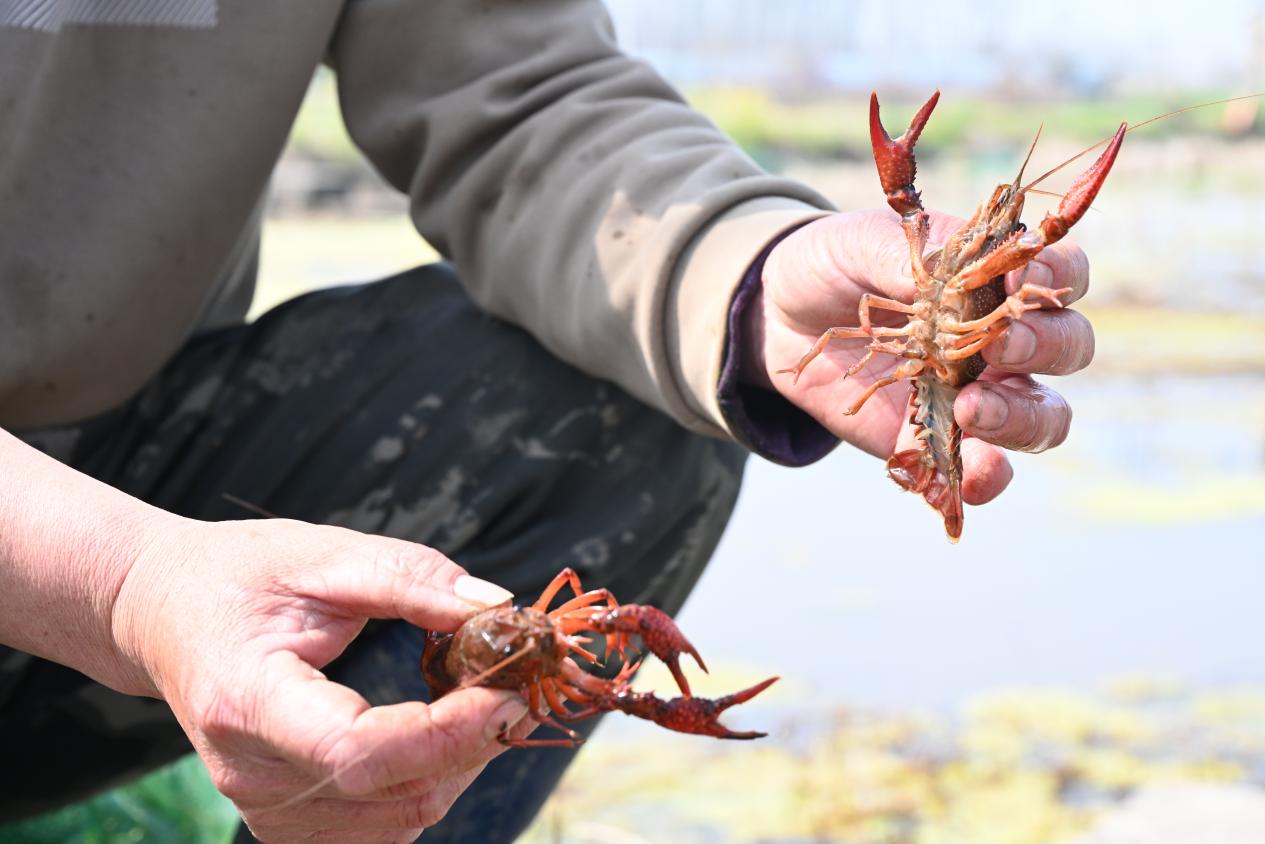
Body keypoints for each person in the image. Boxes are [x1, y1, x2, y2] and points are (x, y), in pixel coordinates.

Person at [0, 1, 1094, 841]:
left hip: (118, 463)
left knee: (626, 401)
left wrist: (743, 274)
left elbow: (512, 79)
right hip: (84, 565)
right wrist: (120, 583)